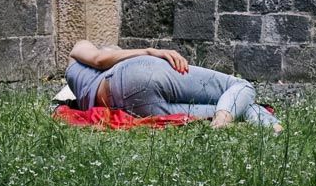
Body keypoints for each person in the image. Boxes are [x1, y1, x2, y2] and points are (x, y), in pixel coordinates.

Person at [64, 40, 281, 131]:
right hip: (136, 74)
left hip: (132, 106)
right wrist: (150, 51)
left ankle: (268, 125)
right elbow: (101, 59)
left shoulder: (81, 88)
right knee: (239, 85)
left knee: (230, 106)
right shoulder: (80, 50)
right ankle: (229, 117)